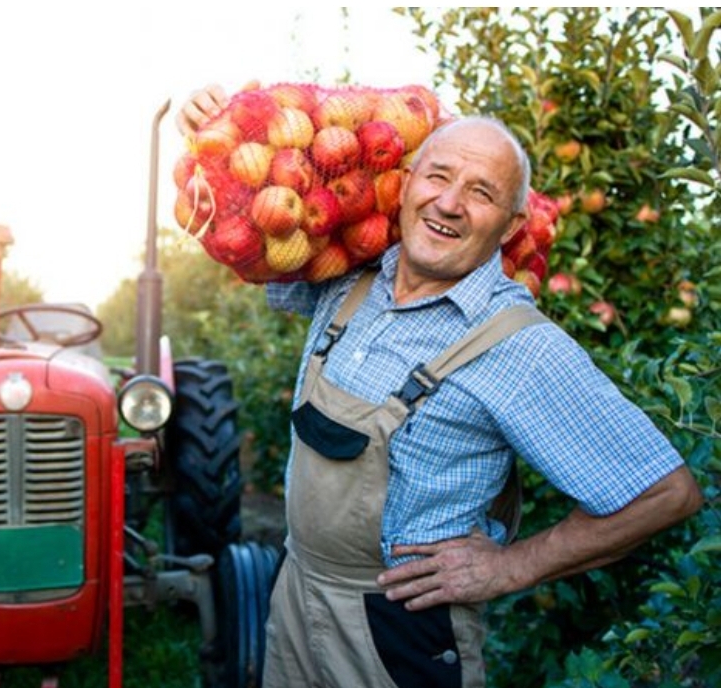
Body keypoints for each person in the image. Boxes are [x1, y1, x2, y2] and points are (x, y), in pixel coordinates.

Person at [177, 85, 703, 688]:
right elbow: (245, 232)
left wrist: (511, 567)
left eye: (481, 193)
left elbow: (666, 493)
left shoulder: (518, 347)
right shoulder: (344, 280)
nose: (449, 203)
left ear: (511, 226)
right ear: (402, 185)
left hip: (398, 633)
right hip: (296, 589)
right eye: (438, 176)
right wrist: (210, 136)